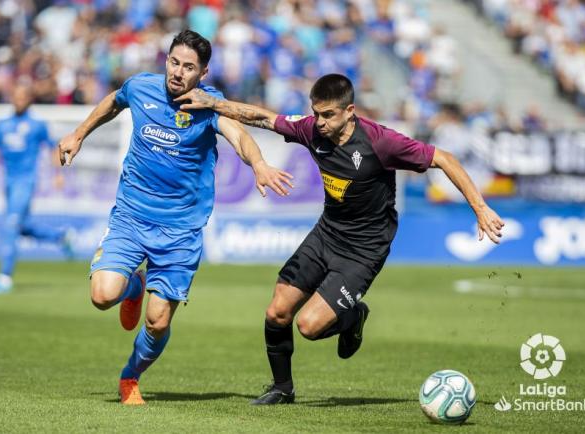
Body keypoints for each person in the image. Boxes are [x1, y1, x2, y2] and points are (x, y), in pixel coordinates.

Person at [176, 73, 505, 405]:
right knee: (277, 312)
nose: (319, 122)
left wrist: (480, 208)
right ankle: (281, 388)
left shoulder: (381, 142)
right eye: (316, 113)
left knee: (309, 326)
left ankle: (353, 317)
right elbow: (263, 117)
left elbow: (444, 158)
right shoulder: (310, 129)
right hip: (326, 234)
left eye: (328, 115)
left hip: (363, 250)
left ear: (350, 110)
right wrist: (215, 104)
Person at [57, 30, 293, 405]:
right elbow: (113, 102)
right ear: (165, 60)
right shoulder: (141, 87)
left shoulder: (209, 104)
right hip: (132, 216)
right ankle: (134, 284)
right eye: (173, 62)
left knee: (157, 321)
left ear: (203, 72)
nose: (178, 72)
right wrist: (79, 133)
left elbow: (240, 135)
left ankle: (130, 376)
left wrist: (259, 164)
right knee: (103, 296)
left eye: (188, 67)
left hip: (181, 230)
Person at [0, 82, 74, 295]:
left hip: (26, 181)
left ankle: (4, 277)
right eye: (16, 96)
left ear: (29, 99)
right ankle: (61, 237)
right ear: (11, 97)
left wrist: (58, 174)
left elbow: (52, 148)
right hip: (9, 182)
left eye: (23, 96)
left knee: (11, 224)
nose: (19, 100)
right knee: (20, 226)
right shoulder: (2, 124)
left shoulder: (37, 124)